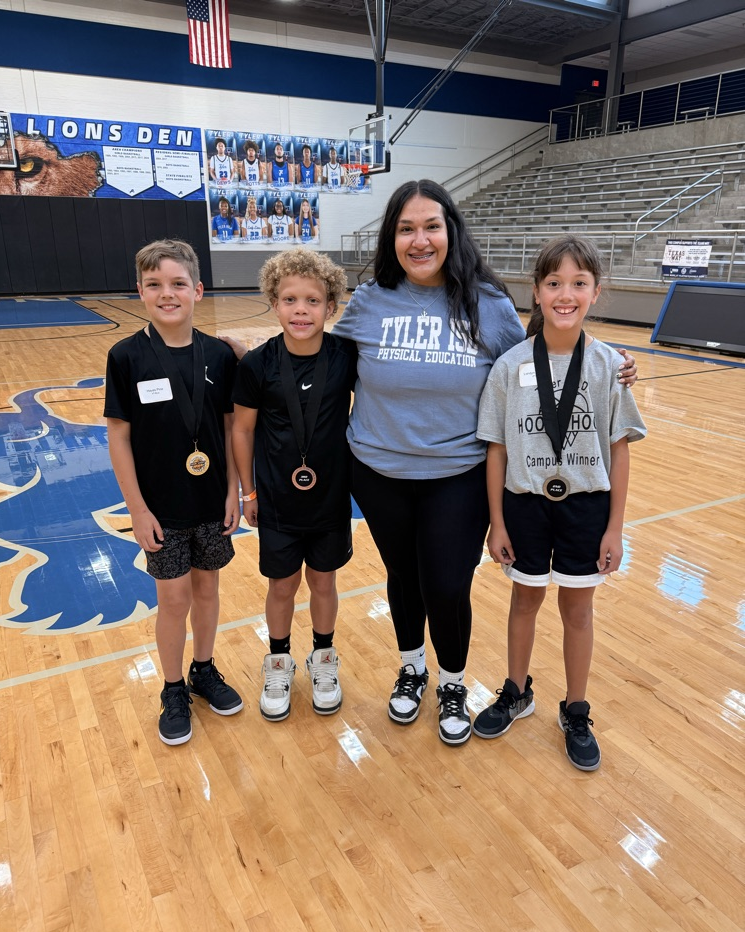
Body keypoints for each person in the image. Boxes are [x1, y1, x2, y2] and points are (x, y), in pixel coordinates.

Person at [328, 179, 638, 746]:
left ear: (451, 231)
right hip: (377, 473)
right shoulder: (370, 298)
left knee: (446, 584)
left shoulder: (488, 303)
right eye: (406, 228)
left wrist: (612, 359)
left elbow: (536, 360)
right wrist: (246, 357)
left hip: (458, 475)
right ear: (391, 237)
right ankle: (412, 666)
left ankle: (451, 682)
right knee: (404, 578)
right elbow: (327, 363)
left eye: (431, 226)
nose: (419, 240)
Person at [473, 235, 646, 770]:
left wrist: (616, 527)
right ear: (537, 291)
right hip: (525, 506)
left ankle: (574, 709)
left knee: (578, 609)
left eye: (578, 283)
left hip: (586, 507)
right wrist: (496, 521)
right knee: (524, 601)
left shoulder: (610, 366)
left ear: (596, 292)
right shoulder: (509, 366)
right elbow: (497, 450)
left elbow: (618, 453)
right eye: (554, 284)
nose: (565, 294)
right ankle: (516, 691)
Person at [104, 239, 243, 746]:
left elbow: (230, 426)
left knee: (208, 589)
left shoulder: (218, 355)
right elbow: (118, 436)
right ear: (139, 291)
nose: (168, 294)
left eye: (178, 284)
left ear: (198, 290)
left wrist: (233, 488)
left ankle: (204, 670)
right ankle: (173, 687)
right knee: (173, 598)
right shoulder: (126, 356)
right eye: (155, 285)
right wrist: (136, 510)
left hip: (211, 500)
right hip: (160, 507)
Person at [230, 248, 356, 721]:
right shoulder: (258, 365)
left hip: (329, 497)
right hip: (277, 501)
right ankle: (278, 659)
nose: (301, 310)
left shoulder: (346, 356)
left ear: (331, 306)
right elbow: (241, 430)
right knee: (282, 585)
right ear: (273, 302)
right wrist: (249, 492)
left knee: (324, 580)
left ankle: (324, 657)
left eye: (312, 300)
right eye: (289, 299)